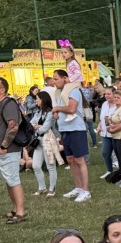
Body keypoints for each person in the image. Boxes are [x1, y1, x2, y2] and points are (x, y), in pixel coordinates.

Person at [0, 76, 27, 223]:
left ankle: (20, 212)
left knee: (13, 180)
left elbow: (13, 126)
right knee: (9, 181)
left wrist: (4, 146)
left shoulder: (8, 104)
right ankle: (15, 208)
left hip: (7, 151)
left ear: (2, 90)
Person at [50, 69, 91, 202]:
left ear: (65, 78)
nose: (54, 81)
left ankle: (86, 190)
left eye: (56, 79)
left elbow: (72, 109)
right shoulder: (60, 93)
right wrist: (56, 112)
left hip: (76, 130)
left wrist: (57, 109)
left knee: (79, 160)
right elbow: (62, 109)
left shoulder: (73, 91)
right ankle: (78, 187)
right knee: (71, 160)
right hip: (65, 130)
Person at [30, 92, 61, 197]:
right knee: (35, 166)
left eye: (37, 98)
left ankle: (52, 189)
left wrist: (37, 127)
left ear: (42, 99)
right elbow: (31, 124)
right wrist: (37, 127)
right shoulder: (38, 112)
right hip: (39, 141)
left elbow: (45, 128)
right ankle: (42, 187)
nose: (36, 101)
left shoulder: (50, 113)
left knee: (50, 166)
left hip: (48, 141)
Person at [59, 43, 84, 123]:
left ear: (71, 53)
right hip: (74, 81)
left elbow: (78, 73)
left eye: (65, 52)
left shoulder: (72, 63)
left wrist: (69, 79)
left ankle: (70, 111)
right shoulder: (70, 62)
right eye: (62, 52)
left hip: (75, 82)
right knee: (65, 94)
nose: (63, 54)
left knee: (64, 94)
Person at [98, 87, 117, 178]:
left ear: (114, 94)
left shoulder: (118, 105)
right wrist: (99, 126)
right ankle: (109, 170)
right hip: (105, 133)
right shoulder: (104, 104)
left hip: (116, 133)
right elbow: (102, 118)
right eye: (105, 94)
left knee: (119, 154)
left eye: (109, 94)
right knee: (105, 152)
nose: (106, 96)